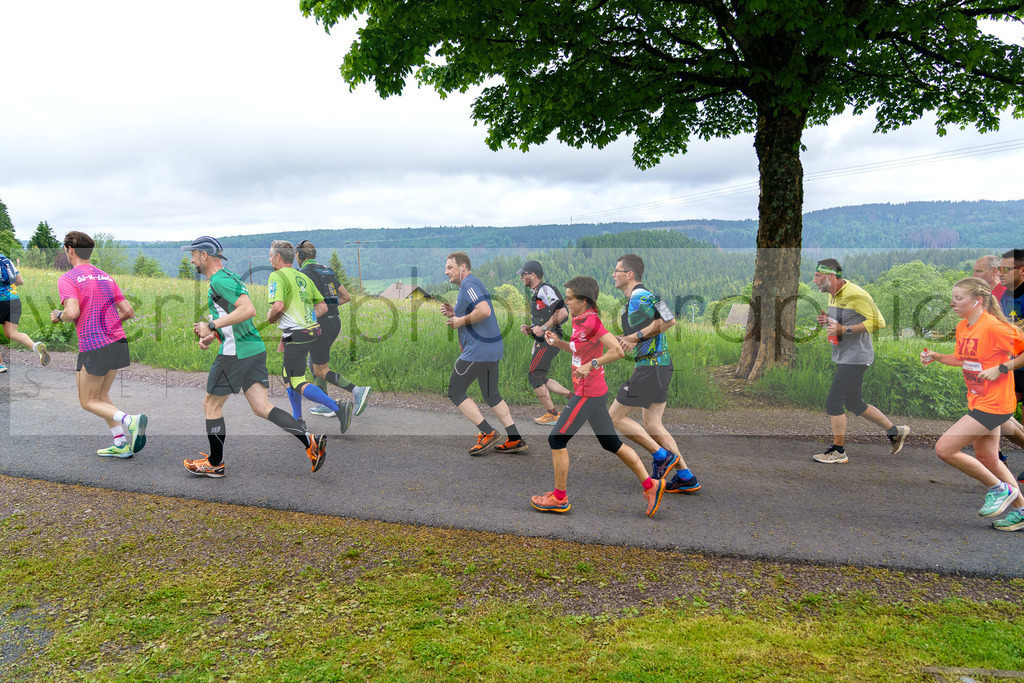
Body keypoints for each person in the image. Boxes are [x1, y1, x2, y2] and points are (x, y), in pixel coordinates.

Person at [181, 236, 328, 478]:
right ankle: (310, 441)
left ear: (204, 256)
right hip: (252, 349)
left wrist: (211, 324)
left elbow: (248, 309)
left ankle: (215, 464)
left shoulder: (219, 281)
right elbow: (236, 317)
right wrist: (212, 334)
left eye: (193, 254)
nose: (191, 258)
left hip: (236, 353)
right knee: (261, 407)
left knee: (211, 405)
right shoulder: (228, 277)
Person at [531, 276, 667, 517]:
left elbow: (617, 351)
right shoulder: (578, 319)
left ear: (584, 301)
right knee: (611, 443)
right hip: (594, 392)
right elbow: (578, 348)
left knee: (556, 440)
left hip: (587, 392)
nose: (566, 302)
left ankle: (559, 498)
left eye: (570, 298)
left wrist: (591, 364)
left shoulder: (592, 322)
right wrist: (559, 343)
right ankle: (651, 485)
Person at [921, 277, 1024, 532]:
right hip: (978, 399)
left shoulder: (994, 327)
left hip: (995, 403)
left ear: (977, 301)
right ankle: (1021, 511)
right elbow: (961, 358)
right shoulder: (963, 326)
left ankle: (999, 489)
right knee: (988, 458)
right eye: (952, 298)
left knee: (945, 448)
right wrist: (938, 356)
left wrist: (1001, 367)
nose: (952, 303)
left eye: (958, 298)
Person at [49, 231, 145, 457]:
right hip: (117, 342)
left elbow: (72, 313)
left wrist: (58, 315)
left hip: (95, 345)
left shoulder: (68, 278)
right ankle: (120, 445)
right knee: (101, 396)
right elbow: (129, 312)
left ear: (69, 250)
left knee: (87, 401)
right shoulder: (106, 276)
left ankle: (131, 420)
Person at [609, 254, 700, 493]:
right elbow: (660, 319)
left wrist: (636, 337)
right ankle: (685, 476)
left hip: (651, 367)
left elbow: (669, 320)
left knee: (614, 418)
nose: (613, 274)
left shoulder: (639, 296)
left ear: (629, 274)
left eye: (617, 270)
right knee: (652, 423)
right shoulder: (645, 295)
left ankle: (662, 457)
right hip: (660, 364)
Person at [812, 258, 910, 463]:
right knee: (854, 402)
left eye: (818, 276)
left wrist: (843, 329)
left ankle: (838, 451)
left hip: (856, 356)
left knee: (834, 401)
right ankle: (894, 432)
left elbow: (878, 322)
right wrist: (826, 322)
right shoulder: (833, 294)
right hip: (844, 355)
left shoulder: (856, 294)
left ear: (831, 276)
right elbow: (842, 321)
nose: (815, 280)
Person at [441, 251, 526, 455]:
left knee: (455, 391)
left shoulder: (468, 284)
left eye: (450, 267)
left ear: (463, 267)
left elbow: (484, 310)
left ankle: (487, 432)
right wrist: (456, 312)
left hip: (477, 351)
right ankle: (515, 438)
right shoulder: (472, 284)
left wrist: (459, 321)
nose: (446, 272)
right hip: (490, 349)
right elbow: (477, 310)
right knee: (491, 394)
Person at [268, 240, 353, 435]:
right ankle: (298, 419)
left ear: (279, 257)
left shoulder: (277, 276)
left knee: (297, 381)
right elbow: (322, 307)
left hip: (296, 334)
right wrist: (302, 321)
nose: (269, 258)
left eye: (271, 255)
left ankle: (339, 408)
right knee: (287, 375)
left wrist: (271, 317)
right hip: (308, 331)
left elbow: (278, 307)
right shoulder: (302, 278)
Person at [296, 240, 371, 419]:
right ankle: (324, 403)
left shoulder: (304, 274)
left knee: (320, 369)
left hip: (319, 325)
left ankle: (358, 391)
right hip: (334, 323)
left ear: (300, 256)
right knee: (314, 363)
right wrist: (329, 306)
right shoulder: (326, 270)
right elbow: (346, 297)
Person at [517, 260, 571, 424]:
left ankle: (552, 415)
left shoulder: (544, 289)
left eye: (523, 274)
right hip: (546, 339)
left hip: (549, 340)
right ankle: (574, 398)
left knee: (534, 377)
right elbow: (547, 315)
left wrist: (544, 328)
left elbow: (563, 312)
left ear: (532, 275)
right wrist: (533, 327)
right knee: (541, 376)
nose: (521, 278)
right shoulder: (538, 291)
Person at [0, 253, 50, 373]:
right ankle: (35, 346)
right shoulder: (6, 260)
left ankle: (1, 364)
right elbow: (20, 281)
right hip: (14, 300)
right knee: (11, 332)